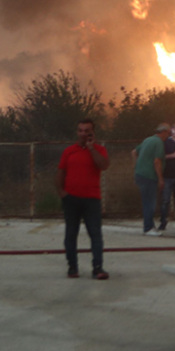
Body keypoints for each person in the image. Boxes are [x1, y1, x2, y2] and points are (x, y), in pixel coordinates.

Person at [56, 118, 111, 279]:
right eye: (80, 130)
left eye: (87, 131)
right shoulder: (69, 151)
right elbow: (60, 172)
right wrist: (61, 192)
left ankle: (98, 268)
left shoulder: (99, 150)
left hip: (92, 200)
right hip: (71, 199)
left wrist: (91, 148)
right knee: (71, 234)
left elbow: (104, 165)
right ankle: (72, 267)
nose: (83, 133)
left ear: (93, 132)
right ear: (77, 132)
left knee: (95, 234)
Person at [132, 123, 169, 235]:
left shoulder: (148, 140)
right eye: (167, 133)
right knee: (150, 202)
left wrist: (137, 166)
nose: (167, 136)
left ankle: (150, 225)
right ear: (164, 132)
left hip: (140, 174)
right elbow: (157, 161)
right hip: (149, 177)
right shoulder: (159, 143)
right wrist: (161, 179)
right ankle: (148, 228)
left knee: (146, 201)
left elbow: (134, 152)